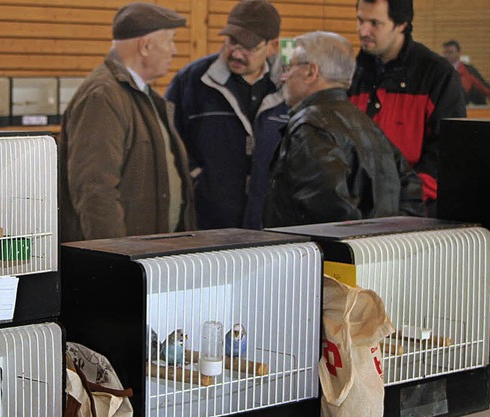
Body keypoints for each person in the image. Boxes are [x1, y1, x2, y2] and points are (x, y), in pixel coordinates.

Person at [59, 2, 196, 242]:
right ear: (145, 46)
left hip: (147, 255)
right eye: (170, 41)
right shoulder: (103, 96)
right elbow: (95, 190)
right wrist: (114, 260)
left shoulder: (138, 94)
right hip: (125, 262)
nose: (174, 50)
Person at [263, 31, 425, 228]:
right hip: (378, 254)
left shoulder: (309, 127)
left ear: (311, 72)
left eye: (289, 67)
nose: (283, 76)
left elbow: (328, 216)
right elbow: (411, 189)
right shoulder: (366, 124)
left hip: (318, 257)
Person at [165, 0, 288, 230]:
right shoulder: (190, 81)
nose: (236, 53)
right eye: (231, 41)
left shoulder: (290, 87)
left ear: (273, 46)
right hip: (206, 225)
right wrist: (197, 178)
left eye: (248, 46)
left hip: (270, 228)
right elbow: (168, 142)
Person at [348, 0, 466, 217]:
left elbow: (446, 154)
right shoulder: (352, 74)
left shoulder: (437, 74)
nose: (363, 31)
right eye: (360, 20)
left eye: (375, 23)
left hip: (416, 216)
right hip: (360, 215)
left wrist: (403, 201)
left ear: (401, 24)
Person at [442, 40, 490, 105]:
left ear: (458, 53)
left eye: (450, 52)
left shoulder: (468, 70)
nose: (447, 55)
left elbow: (483, 87)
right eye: (445, 52)